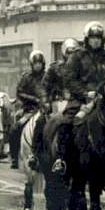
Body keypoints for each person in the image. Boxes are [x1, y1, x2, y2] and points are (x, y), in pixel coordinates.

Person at [53, 23, 105, 173]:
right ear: (87, 39)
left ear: (102, 39)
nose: (95, 41)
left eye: (98, 38)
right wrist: (85, 93)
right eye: (92, 38)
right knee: (66, 121)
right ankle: (61, 159)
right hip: (81, 100)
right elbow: (69, 79)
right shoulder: (77, 56)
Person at [36, 38, 80, 169]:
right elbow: (43, 86)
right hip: (57, 102)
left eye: (74, 52)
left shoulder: (82, 68)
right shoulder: (55, 68)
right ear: (64, 53)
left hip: (77, 103)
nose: (71, 55)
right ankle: (36, 154)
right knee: (40, 122)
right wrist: (45, 101)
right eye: (69, 52)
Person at [9, 50, 47, 170]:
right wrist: (34, 99)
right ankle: (14, 157)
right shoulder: (26, 77)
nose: (38, 65)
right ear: (32, 64)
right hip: (30, 110)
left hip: (47, 109)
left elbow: (54, 90)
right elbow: (19, 92)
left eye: (40, 63)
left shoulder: (48, 77)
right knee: (15, 128)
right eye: (35, 63)